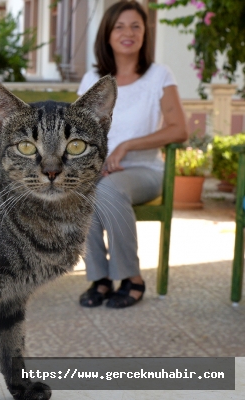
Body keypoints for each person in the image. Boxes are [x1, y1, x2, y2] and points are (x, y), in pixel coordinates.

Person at [78, 0, 187, 308]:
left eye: (136, 26)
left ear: (145, 33)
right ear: (108, 35)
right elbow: (79, 131)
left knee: (109, 191)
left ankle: (131, 278)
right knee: (83, 190)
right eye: (120, 26)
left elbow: (179, 130)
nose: (128, 32)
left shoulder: (159, 76)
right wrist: (94, 166)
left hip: (145, 171)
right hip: (101, 171)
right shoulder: (92, 80)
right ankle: (99, 279)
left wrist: (126, 146)